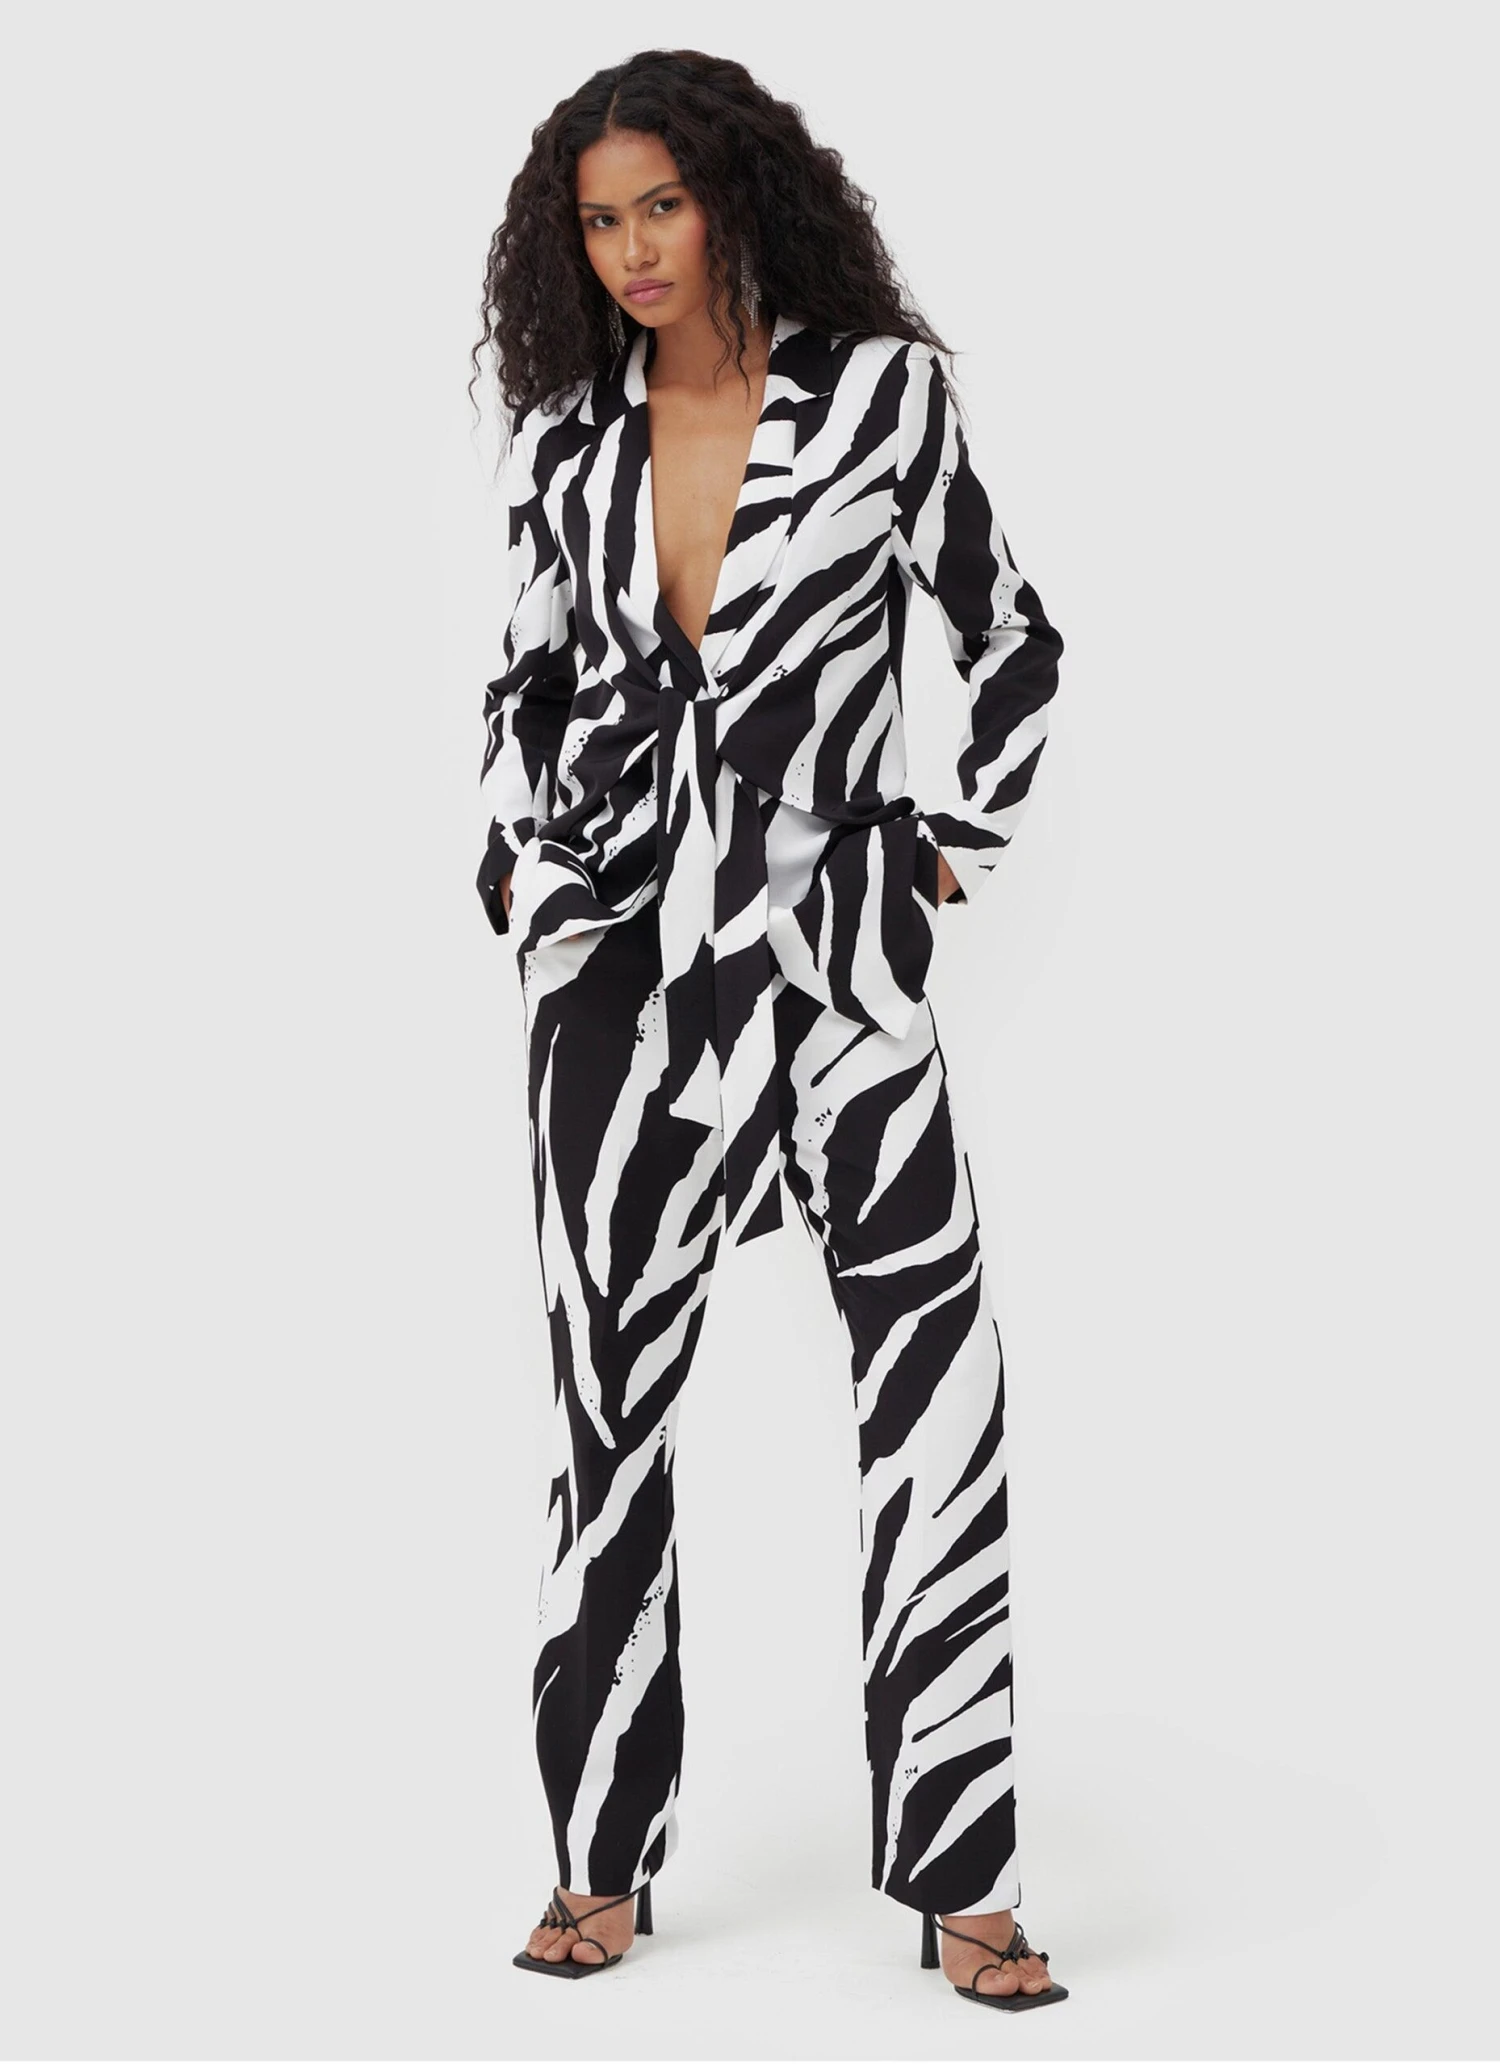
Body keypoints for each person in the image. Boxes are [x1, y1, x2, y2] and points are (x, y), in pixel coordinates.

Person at [471, 47, 1069, 2014]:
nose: (635, 249)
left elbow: (1010, 638)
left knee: (938, 1401)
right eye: (600, 220)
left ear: (736, 195)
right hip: (623, 983)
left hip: (838, 972)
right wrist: (537, 892)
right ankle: (596, 1855)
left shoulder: (884, 400)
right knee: (606, 1418)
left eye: (663, 203)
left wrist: (945, 846)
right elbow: (523, 692)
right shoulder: (567, 446)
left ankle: (966, 1876)